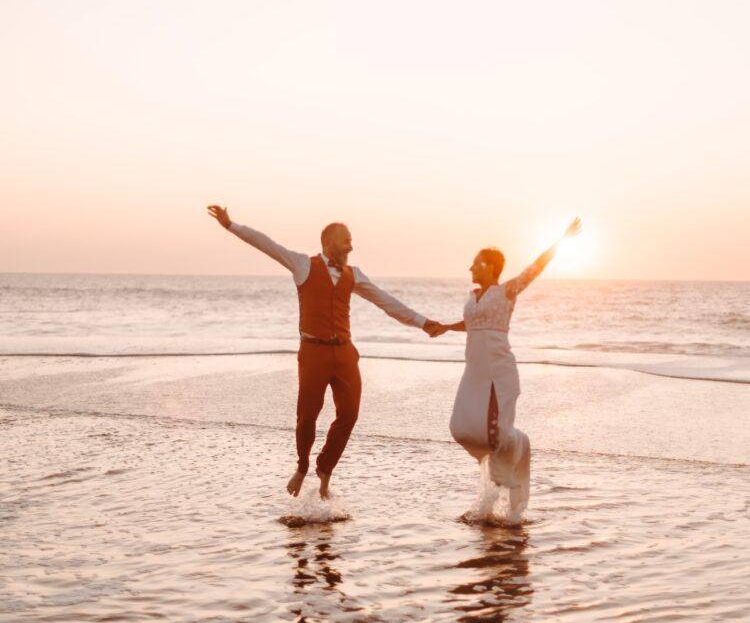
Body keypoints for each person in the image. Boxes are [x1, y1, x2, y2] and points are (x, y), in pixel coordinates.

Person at [207, 205, 442, 499]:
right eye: (346, 240)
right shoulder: (303, 265)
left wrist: (423, 323)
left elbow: (387, 302)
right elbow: (267, 244)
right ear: (329, 241)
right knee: (307, 416)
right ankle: (303, 466)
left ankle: (325, 469)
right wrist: (231, 225)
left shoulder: (353, 275)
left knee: (350, 414)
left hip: (344, 353)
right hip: (313, 352)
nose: (351, 246)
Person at [432, 218, 582, 520]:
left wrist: (562, 240)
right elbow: (475, 324)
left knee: (494, 435)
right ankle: (517, 447)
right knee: (460, 427)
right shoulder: (471, 297)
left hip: (498, 371)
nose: (470, 269)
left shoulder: (507, 291)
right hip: (474, 370)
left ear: (489, 267)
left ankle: (501, 488)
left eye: (475, 264)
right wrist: (447, 327)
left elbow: (536, 267)